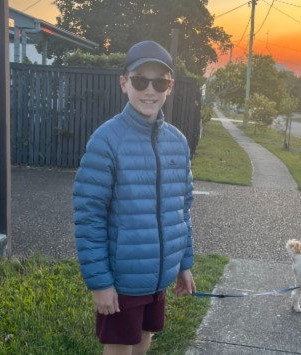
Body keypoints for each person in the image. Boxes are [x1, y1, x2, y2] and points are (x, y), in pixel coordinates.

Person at [73, 40, 196, 355]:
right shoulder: (106, 141)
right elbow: (90, 217)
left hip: (158, 277)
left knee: (144, 338)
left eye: (160, 82)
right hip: (122, 278)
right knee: (119, 347)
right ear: (124, 83)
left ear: (170, 86)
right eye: (141, 81)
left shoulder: (178, 143)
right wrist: (100, 283)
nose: (150, 90)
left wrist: (183, 263)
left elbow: (181, 210)